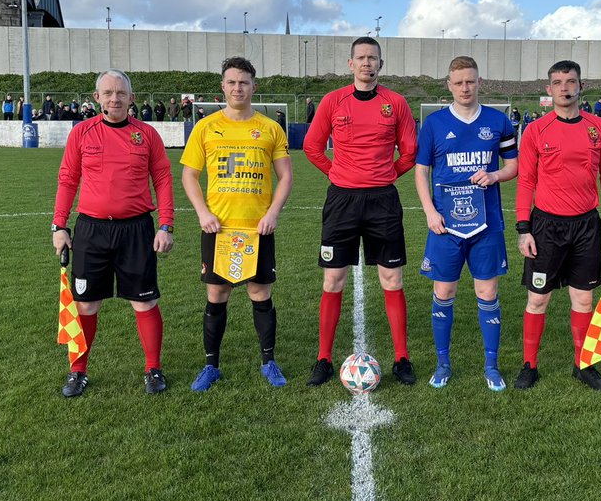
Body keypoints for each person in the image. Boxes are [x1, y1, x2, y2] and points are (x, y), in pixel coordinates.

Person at [51, 69, 175, 398]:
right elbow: (67, 179)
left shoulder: (147, 135)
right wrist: (59, 225)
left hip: (136, 229)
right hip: (91, 229)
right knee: (86, 305)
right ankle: (78, 371)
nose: (114, 98)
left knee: (144, 302)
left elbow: (163, 178)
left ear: (132, 99)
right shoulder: (81, 133)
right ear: (97, 98)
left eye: (121, 93)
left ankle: (153, 368)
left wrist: (166, 224)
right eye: (108, 93)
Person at [303, 36, 418, 387]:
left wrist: (385, 175)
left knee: (392, 278)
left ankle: (402, 358)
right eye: (361, 58)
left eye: (373, 58)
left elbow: (409, 152)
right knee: (333, 278)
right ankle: (324, 358)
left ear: (381, 64)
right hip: (342, 201)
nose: (367, 63)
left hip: (383, 200)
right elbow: (312, 146)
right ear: (350, 64)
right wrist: (337, 173)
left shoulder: (395, 103)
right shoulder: (333, 101)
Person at [181, 57, 294, 391]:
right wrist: (203, 213)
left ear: (253, 86)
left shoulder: (270, 128)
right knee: (217, 293)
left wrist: (272, 213)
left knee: (260, 293)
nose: (237, 88)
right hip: (219, 228)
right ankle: (211, 366)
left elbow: (286, 176)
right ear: (223, 86)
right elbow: (189, 174)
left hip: (258, 228)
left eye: (243, 82)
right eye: (231, 82)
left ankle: (268, 361)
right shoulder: (206, 127)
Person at [514, 60, 601, 391]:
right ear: (548, 89)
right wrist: (524, 228)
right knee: (538, 299)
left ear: (581, 86)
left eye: (571, 81)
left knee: (584, 299)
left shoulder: (599, 128)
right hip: (546, 226)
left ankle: (583, 365)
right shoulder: (536, 130)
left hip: (586, 226)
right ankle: (529, 365)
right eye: (558, 82)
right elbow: (525, 181)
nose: (564, 87)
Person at [414, 56, 518, 391]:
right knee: (443, 290)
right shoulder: (433, 124)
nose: (464, 88)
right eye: (458, 82)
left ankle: (491, 365)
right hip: (445, 224)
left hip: (486, 224)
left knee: (487, 291)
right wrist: (429, 210)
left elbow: (513, 167)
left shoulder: (498, 122)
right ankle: (443, 363)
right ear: (449, 85)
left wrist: (494, 174)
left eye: (470, 81)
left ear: (479, 82)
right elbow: (421, 171)